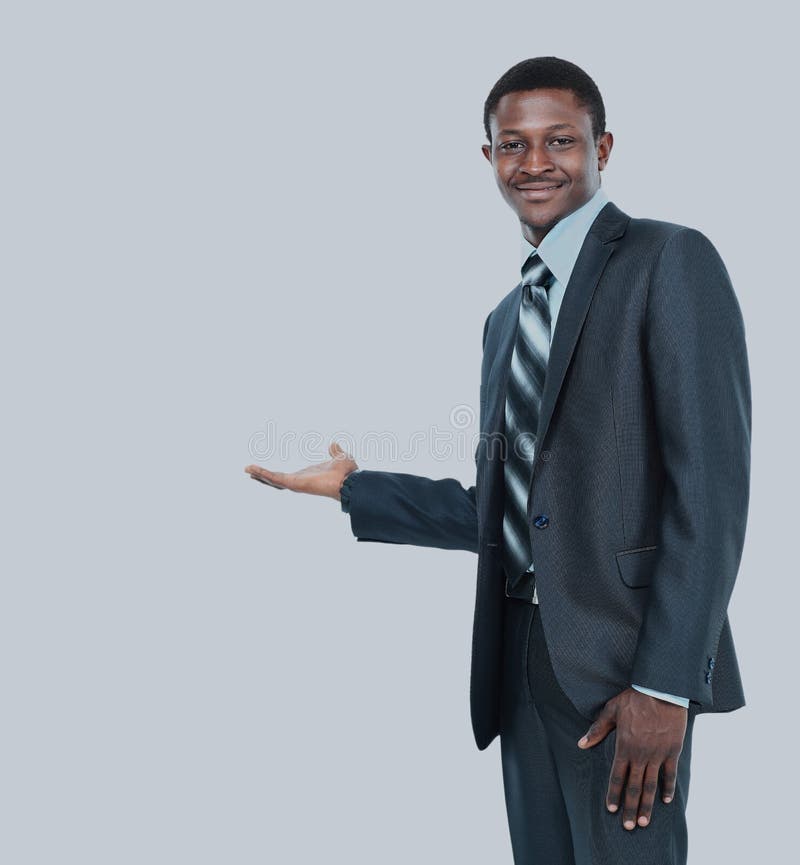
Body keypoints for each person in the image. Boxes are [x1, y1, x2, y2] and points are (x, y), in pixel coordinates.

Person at [245, 56, 751, 865]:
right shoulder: (505, 318)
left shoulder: (669, 260)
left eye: (560, 140)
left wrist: (666, 685)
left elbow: (712, 495)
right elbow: (511, 506)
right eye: (512, 145)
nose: (535, 162)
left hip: (623, 668)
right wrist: (355, 489)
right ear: (488, 159)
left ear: (603, 147)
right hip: (518, 658)